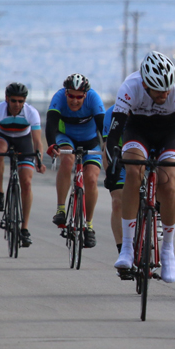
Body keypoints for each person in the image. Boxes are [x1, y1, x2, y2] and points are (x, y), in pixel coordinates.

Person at [105, 51, 175, 284]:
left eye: (168, 89)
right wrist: (113, 163)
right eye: (159, 90)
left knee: (168, 185)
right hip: (138, 130)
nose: (165, 94)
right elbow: (114, 133)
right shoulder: (130, 87)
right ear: (145, 84)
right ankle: (127, 247)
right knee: (133, 173)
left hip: (169, 133)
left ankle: (167, 251)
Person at [45, 73, 106, 248]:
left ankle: (89, 225)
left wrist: (107, 146)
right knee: (67, 159)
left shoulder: (94, 98)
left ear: (86, 95)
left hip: (90, 140)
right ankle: (61, 209)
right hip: (66, 137)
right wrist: (51, 144)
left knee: (92, 178)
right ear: (66, 93)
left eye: (79, 97)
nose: (74, 101)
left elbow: (103, 126)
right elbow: (51, 123)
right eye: (71, 96)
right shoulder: (58, 97)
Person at [0, 82, 46, 247]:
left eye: (20, 101)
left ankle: (24, 229)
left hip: (23, 139)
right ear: (7, 99)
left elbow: (37, 141)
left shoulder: (31, 113)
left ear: (24, 101)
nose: (17, 105)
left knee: (26, 183)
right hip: (3, 136)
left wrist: (39, 161)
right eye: (13, 101)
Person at [101, 103, 125, 253]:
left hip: (148, 151)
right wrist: (110, 173)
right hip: (119, 155)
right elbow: (106, 147)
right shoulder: (112, 113)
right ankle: (122, 248)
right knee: (117, 201)